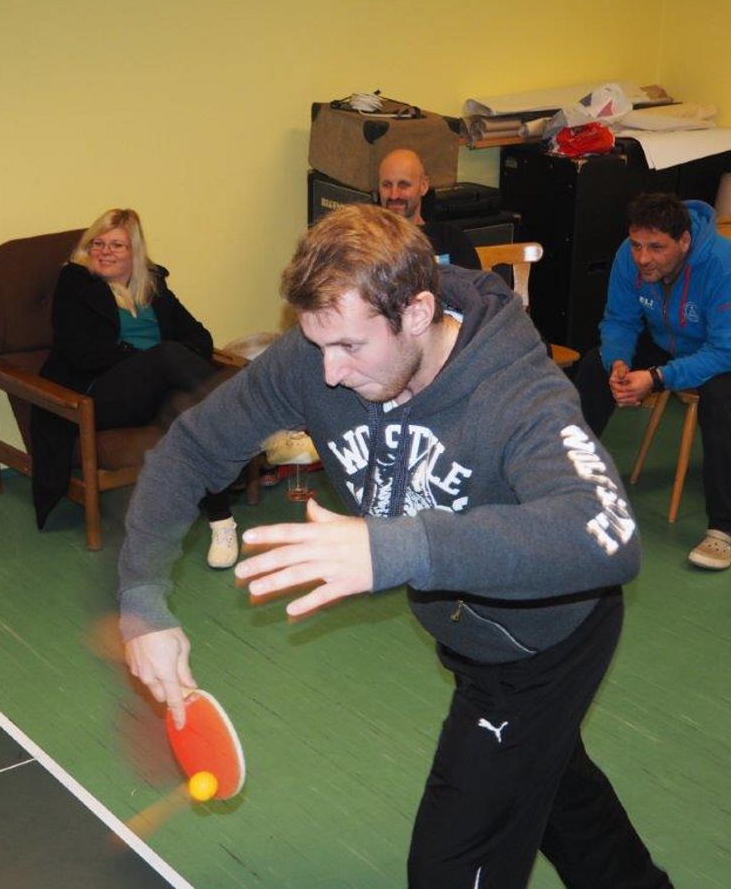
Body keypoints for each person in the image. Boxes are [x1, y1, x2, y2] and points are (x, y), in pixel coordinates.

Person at [118, 204, 671, 887]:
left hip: (544, 642)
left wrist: (397, 548)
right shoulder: (317, 355)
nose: (327, 374)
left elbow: (606, 535)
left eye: (350, 347)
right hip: (469, 633)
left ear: (417, 312)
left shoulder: (516, 392)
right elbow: (191, 450)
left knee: (449, 865)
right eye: (317, 344)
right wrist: (142, 601)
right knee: (556, 789)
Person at [573, 192, 731, 571]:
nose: (642, 258)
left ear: (684, 241)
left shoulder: (724, 263)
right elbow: (620, 320)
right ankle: (563, 480)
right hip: (671, 338)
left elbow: (727, 352)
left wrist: (657, 377)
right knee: (593, 366)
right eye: (636, 245)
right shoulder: (627, 257)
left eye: (656, 247)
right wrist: (619, 362)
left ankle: (724, 530)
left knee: (719, 393)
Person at [29, 207, 239, 569]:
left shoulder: (152, 286)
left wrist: (160, 366)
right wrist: (145, 360)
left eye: (116, 245)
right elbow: (81, 353)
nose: (104, 252)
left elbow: (199, 337)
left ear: (134, 252)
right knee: (169, 357)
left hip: (156, 391)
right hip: (98, 395)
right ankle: (248, 417)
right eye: (98, 243)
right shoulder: (76, 283)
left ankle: (222, 522)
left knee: (192, 413)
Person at [378, 148, 481, 269]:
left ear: (423, 186)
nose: (394, 195)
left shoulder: (452, 240)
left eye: (403, 185)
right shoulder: (367, 242)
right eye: (387, 185)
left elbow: (473, 280)